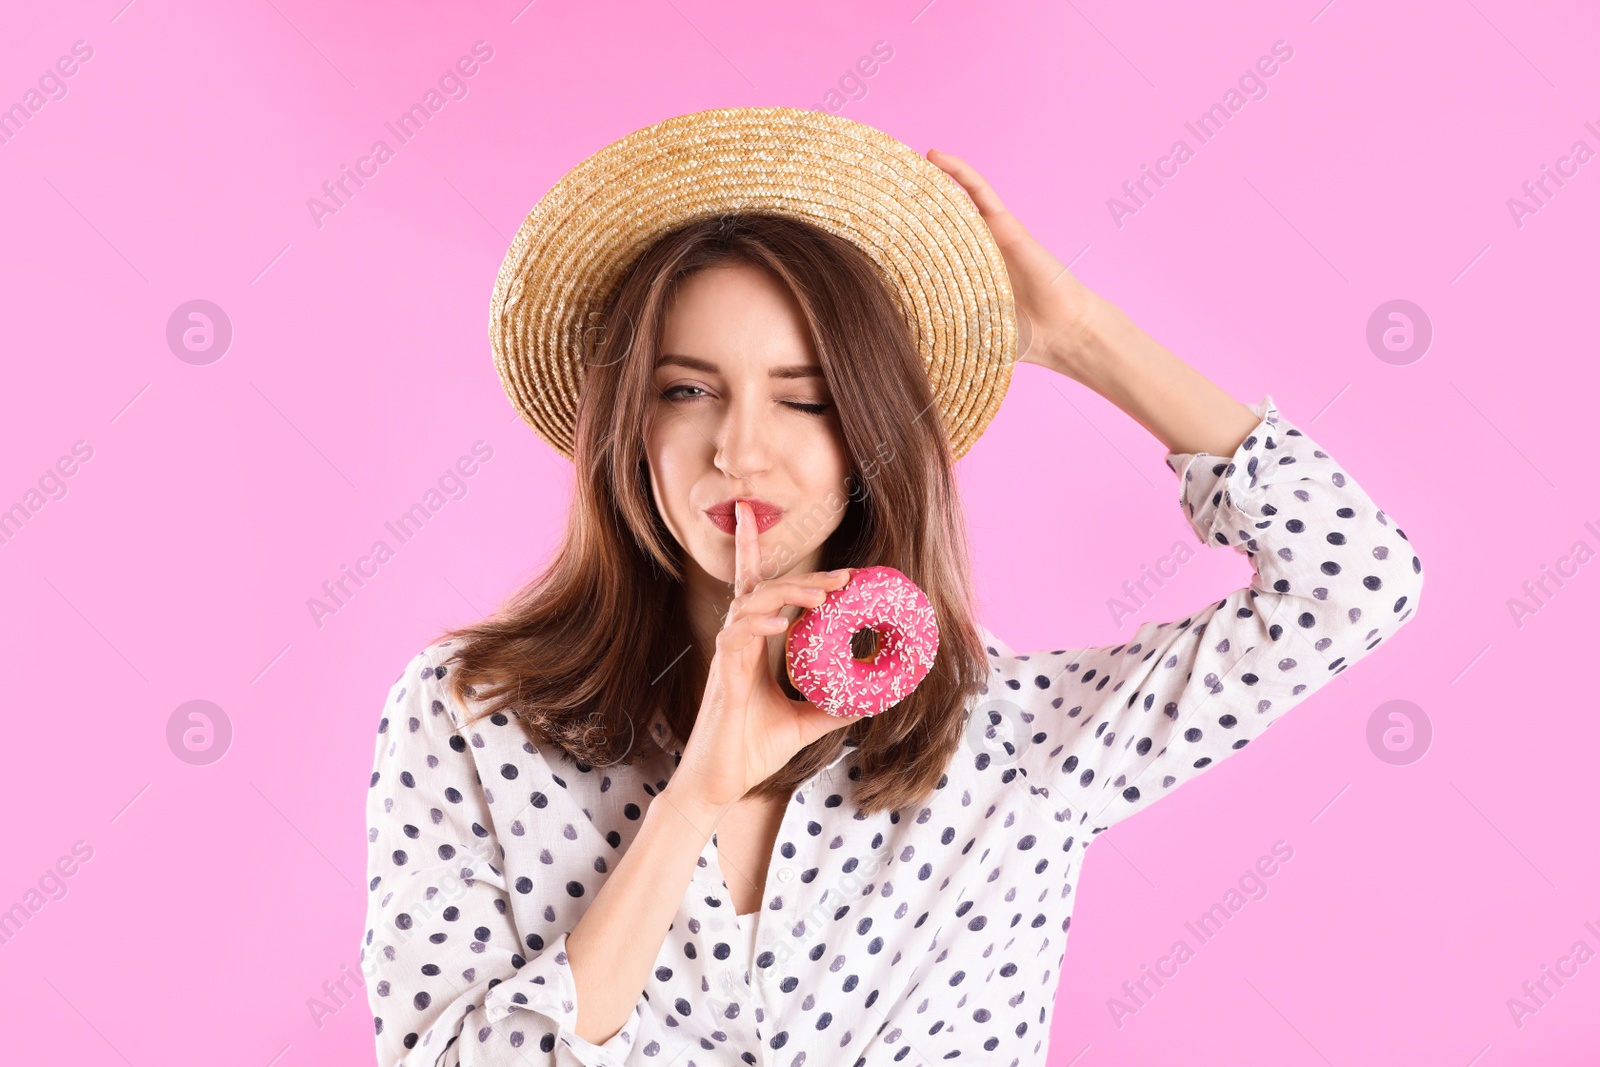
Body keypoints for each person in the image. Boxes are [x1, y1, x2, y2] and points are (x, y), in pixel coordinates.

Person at [361, 108, 1423, 1066]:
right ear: (629, 429)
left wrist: (1074, 334)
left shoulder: (1010, 733)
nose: (739, 447)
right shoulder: (474, 713)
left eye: (805, 399)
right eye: (686, 390)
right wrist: (691, 798)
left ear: (869, 434)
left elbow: (1353, 580)